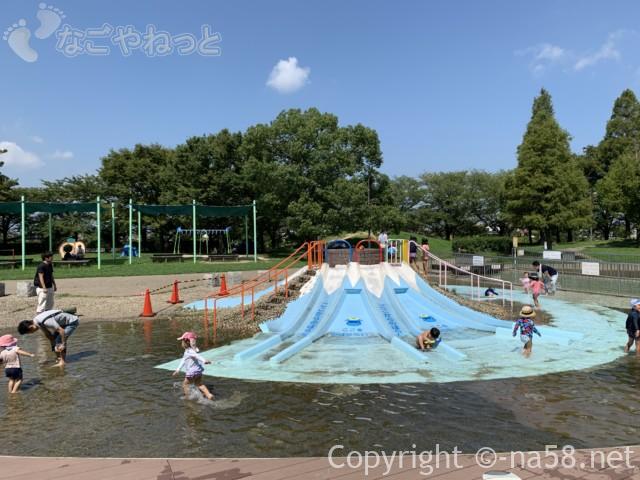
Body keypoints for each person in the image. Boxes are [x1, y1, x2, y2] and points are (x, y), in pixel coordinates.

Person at [173, 333, 214, 400]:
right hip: (198, 371)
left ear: (187, 342)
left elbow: (197, 356)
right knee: (199, 384)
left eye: (182, 341)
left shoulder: (189, 351)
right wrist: (178, 369)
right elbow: (183, 360)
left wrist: (204, 361)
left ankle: (187, 397)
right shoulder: (190, 350)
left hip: (191, 372)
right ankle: (209, 395)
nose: (182, 343)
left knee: (185, 384)